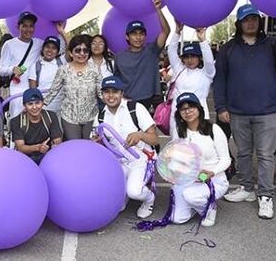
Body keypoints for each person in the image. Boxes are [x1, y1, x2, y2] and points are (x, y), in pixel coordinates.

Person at [217, 6, 276, 219]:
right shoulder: (228, 49)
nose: (251, 23)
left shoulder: (272, 45)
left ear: (259, 21)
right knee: (243, 152)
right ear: (239, 23)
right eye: (246, 20)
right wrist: (221, 107)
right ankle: (247, 188)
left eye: (254, 19)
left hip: (267, 111)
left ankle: (265, 195)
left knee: (265, 154)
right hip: (237, 111)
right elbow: (219, 80)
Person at [94, 75, 159, 217]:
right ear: (102, 94)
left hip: (140, 160)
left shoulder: (135, 108)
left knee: (134, 192)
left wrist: (140, 135)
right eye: (106, 92)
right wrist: (97, 141)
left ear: (122, 93)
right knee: (113, 197)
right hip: (119, 162)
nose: (111, 96)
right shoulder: (100, 116)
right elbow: (98, 143)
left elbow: (155, 140)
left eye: (115, 91)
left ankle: (149, 199)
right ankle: (124, 193)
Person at [173, 92, 232, 227]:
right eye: (183, 109)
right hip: (190, 179)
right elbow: (176, 157)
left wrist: (212, 172)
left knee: (189, 195)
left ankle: (210, 208)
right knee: (178, 218)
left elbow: (226, 159)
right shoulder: (179, 131)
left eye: (191, 107)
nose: (187, 112)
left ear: (199, 108)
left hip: (214, 179)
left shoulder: (213, 129)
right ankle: (196, 205)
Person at [113, 0, 171, 109]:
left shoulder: (152, 50)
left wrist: (158, 9)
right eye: (134, 34)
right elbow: (117, 81)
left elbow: (165, 31)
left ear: (145, 36)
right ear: (127, 37)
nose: (138, 37)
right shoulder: (119, 57)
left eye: (141, 34)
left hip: (151, 102)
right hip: (127, 102)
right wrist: (121, 98)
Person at [42, 34, 102, 140]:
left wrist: (119, 101)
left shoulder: (95, 69)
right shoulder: (63, 69)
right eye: (78, 50)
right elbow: (53, 91)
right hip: (69, 118)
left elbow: (101, 92)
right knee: (76, 148)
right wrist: (38, 106)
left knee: (91, 148)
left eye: (85, 50)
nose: (82, 53)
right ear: (70, 52)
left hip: (91, 117)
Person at [164, 25, 216, 134]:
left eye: (193, 56)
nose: (189, 60)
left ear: (199, 57)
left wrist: (202, 40)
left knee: (201, 147)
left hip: (199, 116)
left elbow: (209, 61)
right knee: (178, 147)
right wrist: (177, 32)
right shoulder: (179, 69)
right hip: (178, 116)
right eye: (186, 57)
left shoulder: (206, 73)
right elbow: (171, 51)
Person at [0, 12, 43, 118]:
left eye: (31, 26)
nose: (28, 29)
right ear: (18, 27)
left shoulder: (39, 43)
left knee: (35, 123)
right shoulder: (9, 44)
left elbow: (60, 49)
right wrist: (12, 69)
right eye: (25, 26)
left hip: (35, 90)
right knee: (18, 122)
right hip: (17, 91)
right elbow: (1, 69)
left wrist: (60, 30)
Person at [11, 87, 64, 163]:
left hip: (47, 155)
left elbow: (57, 139)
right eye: (30, 104)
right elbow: (20, 147)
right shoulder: (16, 121)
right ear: (24, 106)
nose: (34, 107)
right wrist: (38, 147)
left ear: (42, 103)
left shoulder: (51, 116)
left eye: (37, 103)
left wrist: (55, 145)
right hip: (25, 157)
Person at [28, 37, 65, 112]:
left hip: (62, 109)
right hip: (44, 109)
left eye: (54, 48)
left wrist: (62, 32)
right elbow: (33, 91)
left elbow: (72, 47)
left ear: (58, 52)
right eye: (47, 47)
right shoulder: (35, 66)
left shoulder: (62, 62)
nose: (50, 50)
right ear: (42, 49)